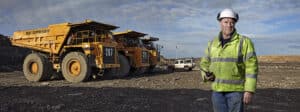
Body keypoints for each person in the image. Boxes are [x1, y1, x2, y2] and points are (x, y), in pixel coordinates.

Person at [200, 8, 258, 112]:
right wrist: (205, 75)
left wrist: (249, 90)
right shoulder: (212, 43)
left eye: (232, 22)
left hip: (235, 92)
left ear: (235, 24)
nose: (229, 25)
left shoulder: (244, 42)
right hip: (217, 91)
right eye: (226, 22)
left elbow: (251, 68)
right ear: (220, 22)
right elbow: (204, 63)